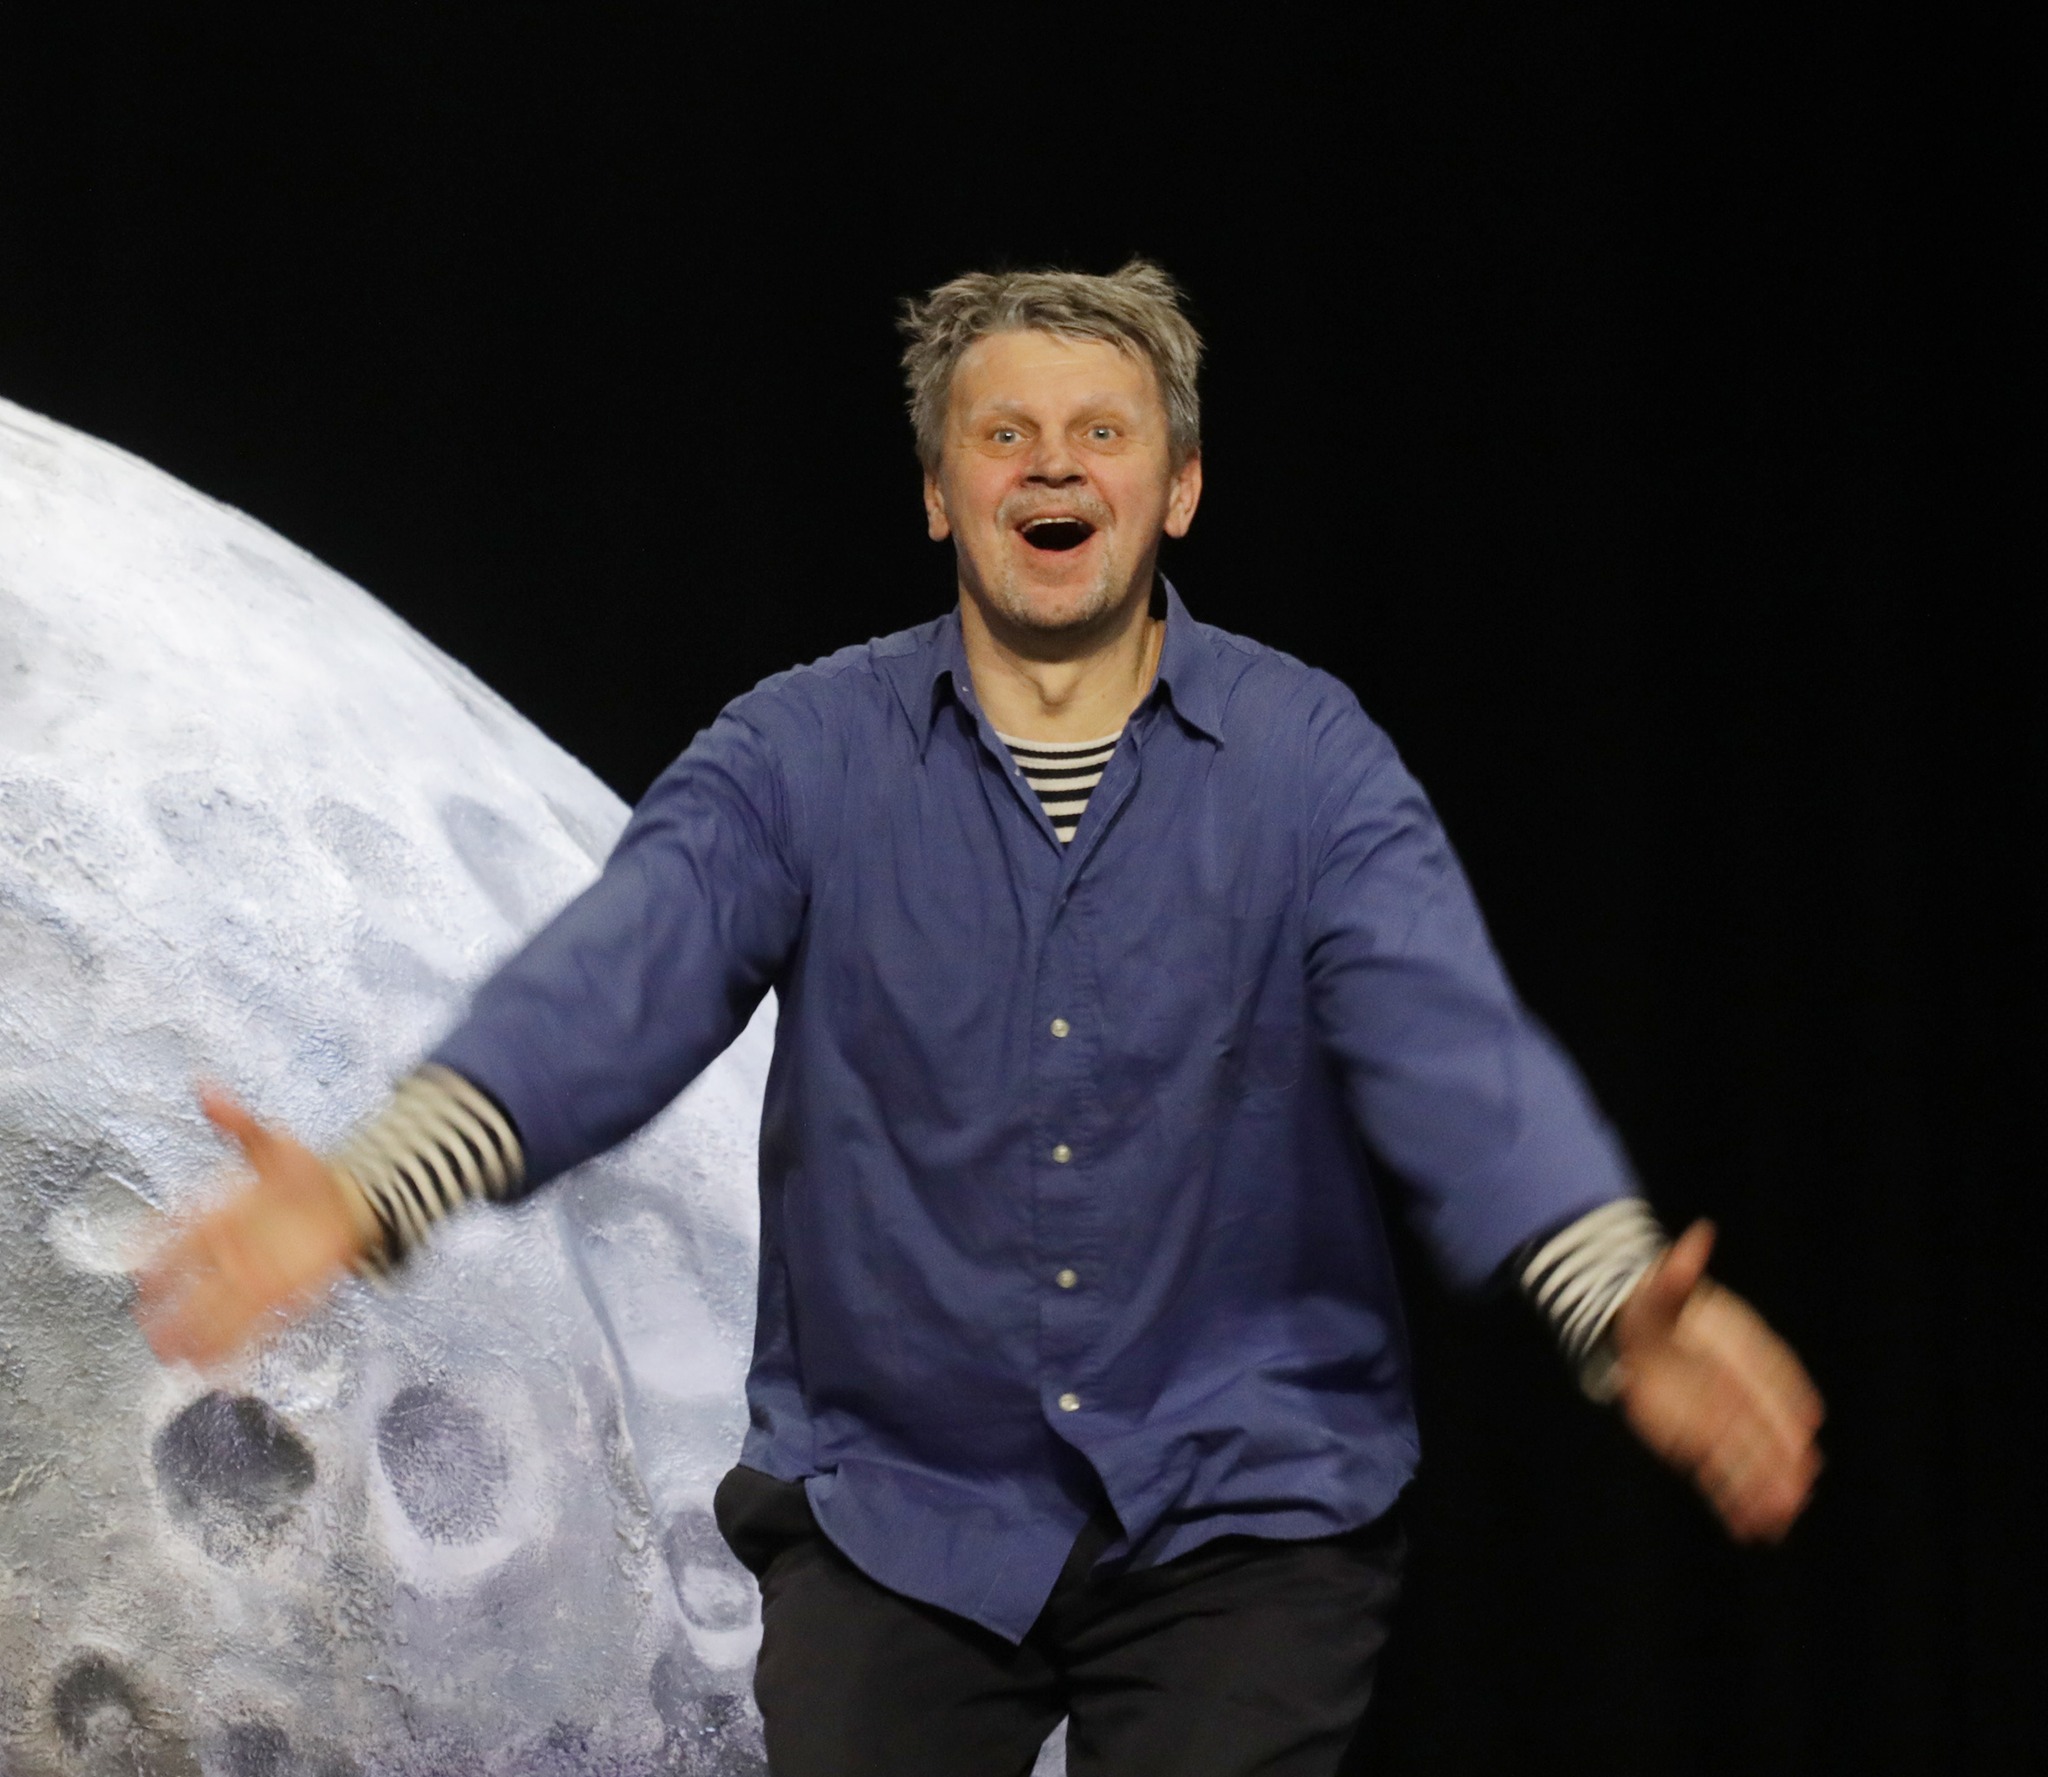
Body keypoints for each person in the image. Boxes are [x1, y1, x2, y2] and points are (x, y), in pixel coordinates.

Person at [137, 260, 1823, 1777]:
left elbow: (1449, 1051)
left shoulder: (1309, 760)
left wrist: (1616, 1296)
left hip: (1245, 1506)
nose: (1052, 465)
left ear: (1179, 487)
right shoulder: (799, 753)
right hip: (901, 1510)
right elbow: (616, 984)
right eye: (1004, 434)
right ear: (942, 494)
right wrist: (369, 1186)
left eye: (1102, 431)